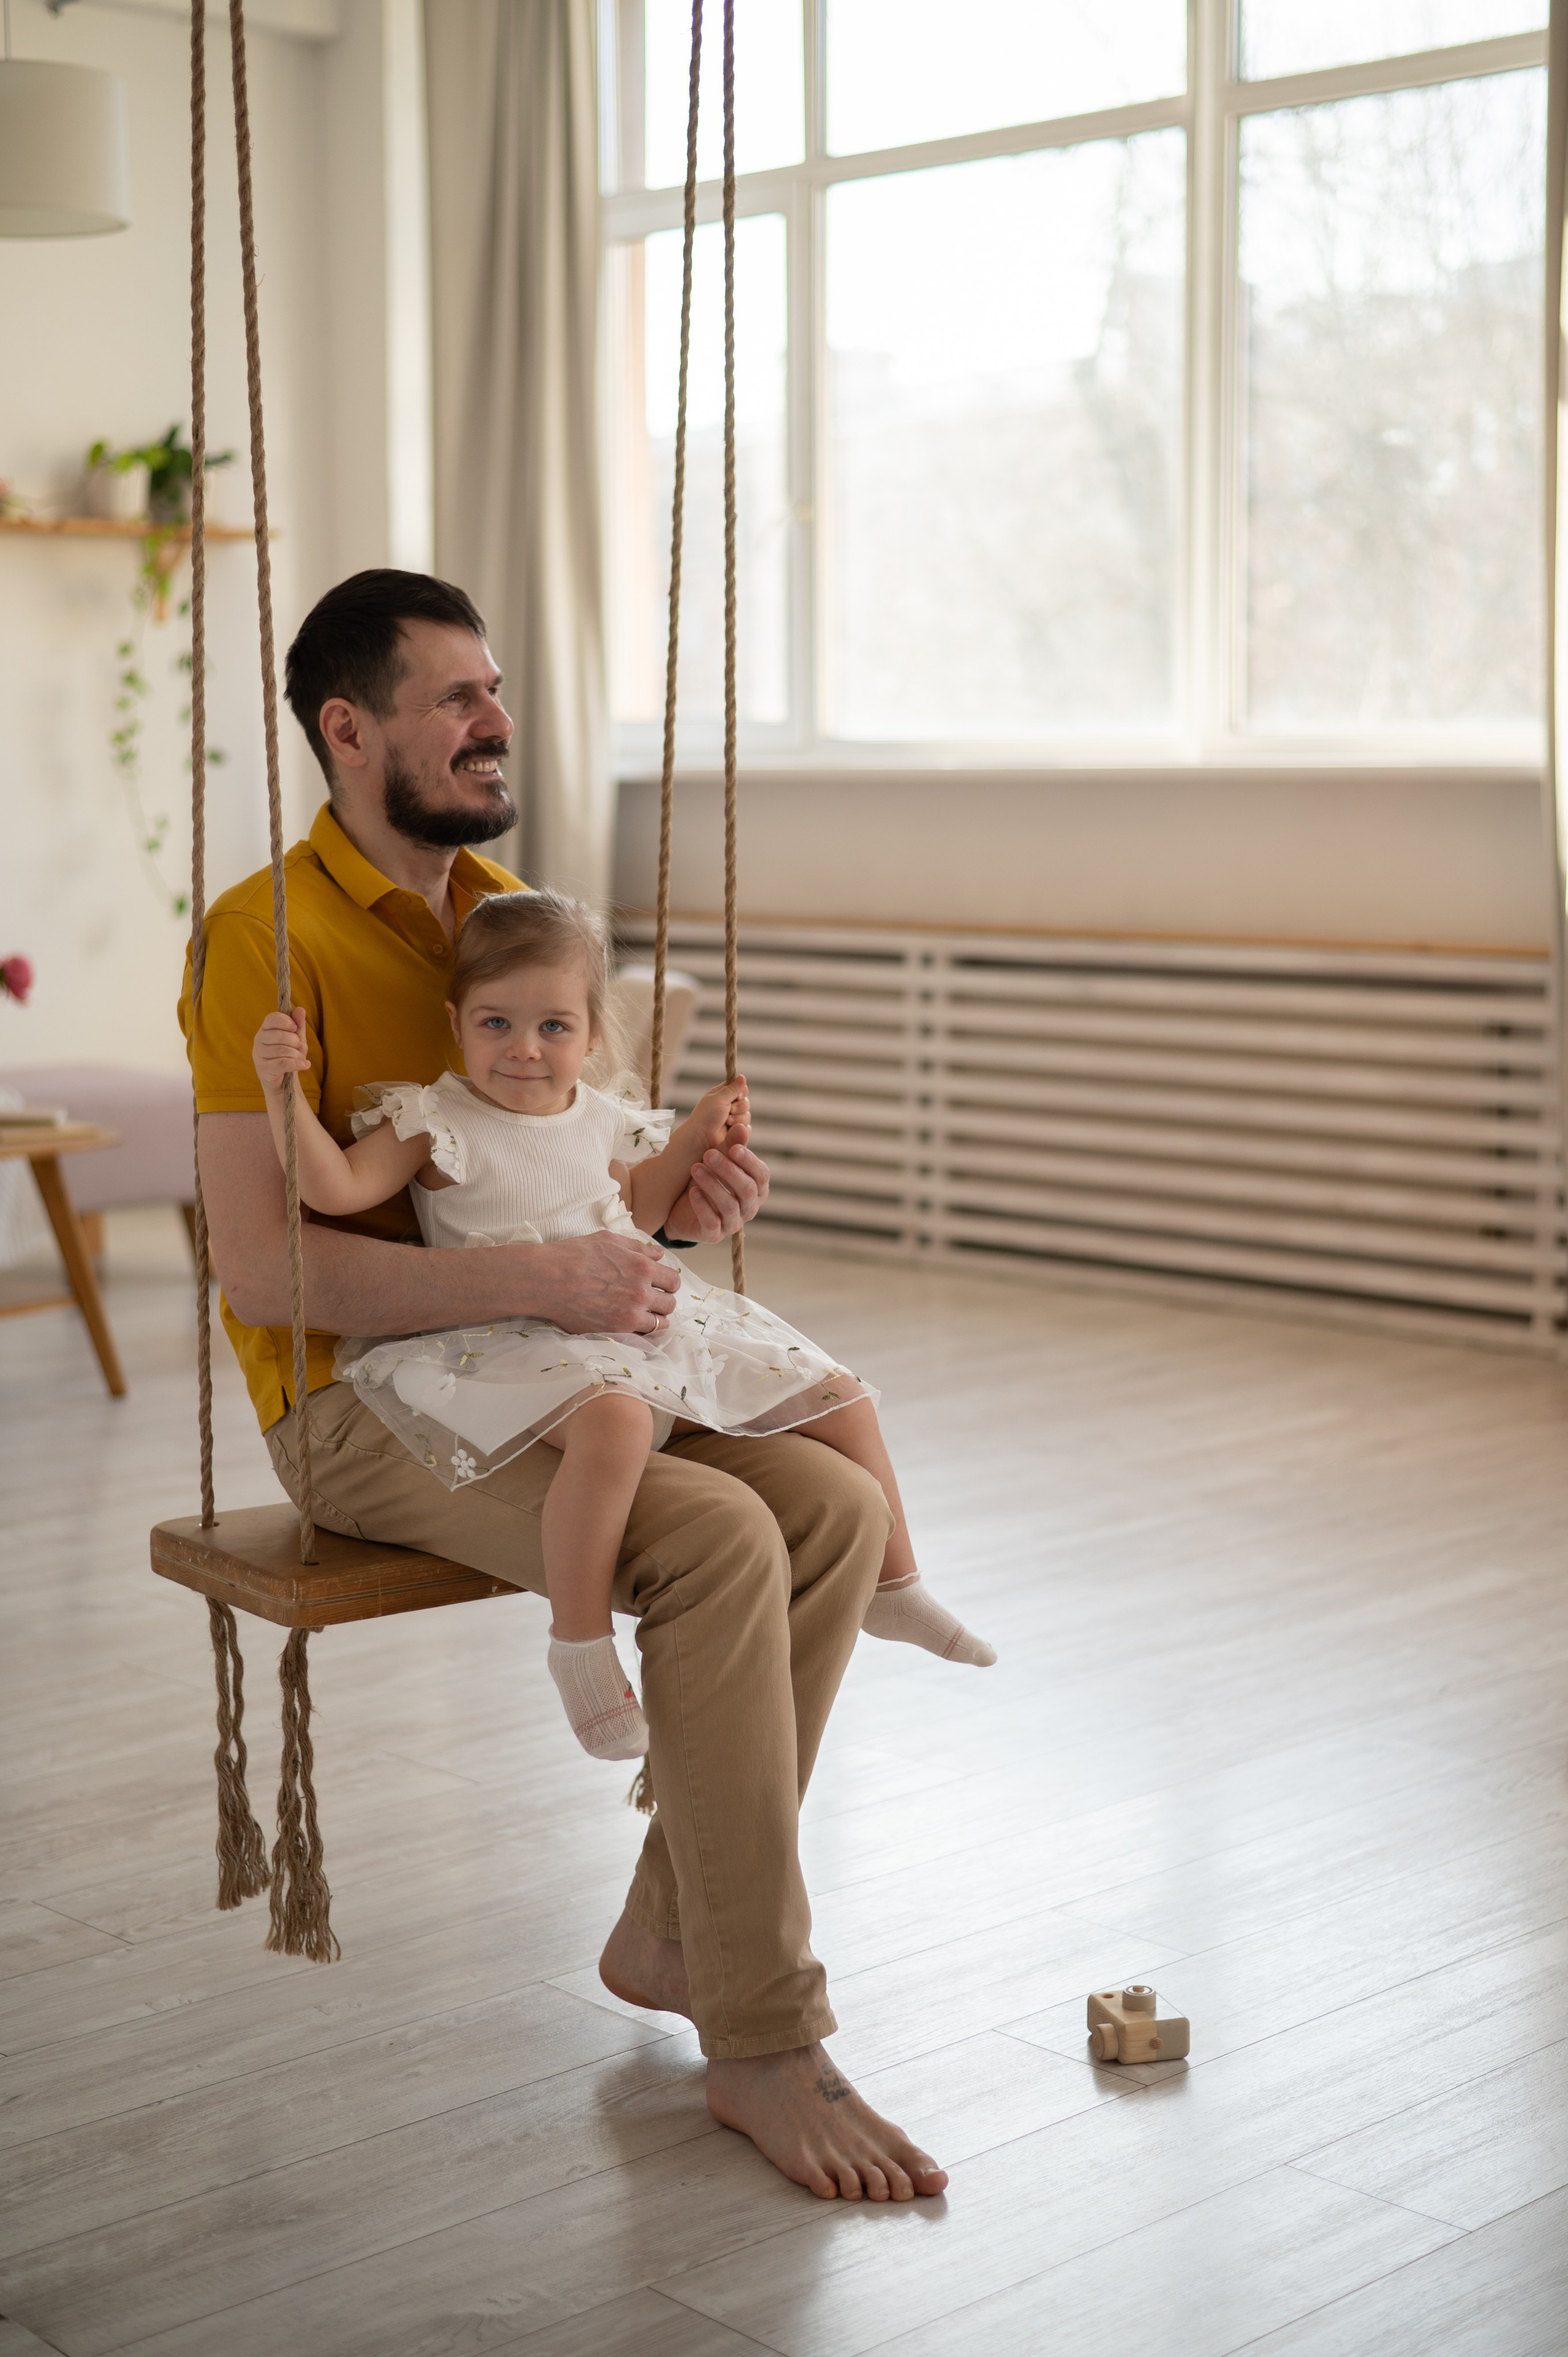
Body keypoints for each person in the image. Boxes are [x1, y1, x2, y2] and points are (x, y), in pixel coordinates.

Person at [184, 567, 951, 2203]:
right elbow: (263, 1274)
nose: (498, 719)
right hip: (360, 1399)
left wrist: (677, 1205)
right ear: (349, 731)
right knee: (721, 1537)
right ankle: (765, 2033)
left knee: (826, 1504)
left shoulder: (519, 918)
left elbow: (581, 1203)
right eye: (457, 696)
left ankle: (675, 1927)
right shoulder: (261, 940)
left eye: (496, 688)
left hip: (546, 1368)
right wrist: (548, 1280)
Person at [250, 886, 996, 1765]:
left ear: (594, 1036)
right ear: (456, 1024)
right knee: (617, 1424)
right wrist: (281, 1091)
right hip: (511, 1334)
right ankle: (580, 1645)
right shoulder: (434, 1120)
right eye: (496, 1024)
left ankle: (897, 1585)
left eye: (553, 1028)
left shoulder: (599, 1117)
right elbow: (333, 1189)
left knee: (843, 1395)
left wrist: (696, 1139)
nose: (524, 1049)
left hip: (628, 1321)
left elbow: (635, 1211)